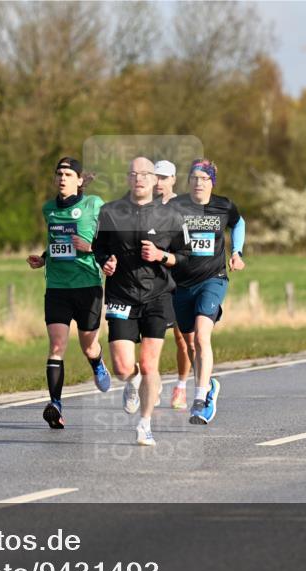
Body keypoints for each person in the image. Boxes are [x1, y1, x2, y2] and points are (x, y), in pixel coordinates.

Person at [92, 157, 190, 446]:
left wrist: (162, 256)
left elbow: (184, 258)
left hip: (157, 296)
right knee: (124, 368)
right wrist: (104, 262)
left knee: (149, 364)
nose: (140, 179)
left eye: (145, 174)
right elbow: (98, 249)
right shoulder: (110, 213)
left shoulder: (172, 217)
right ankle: (132, 382)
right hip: (121, 296)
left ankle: (144, 424)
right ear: (128, 179)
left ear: (155, 180)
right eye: (134, 174)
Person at [27, 157, 112, 429]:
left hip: (87, 286)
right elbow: (56, 241)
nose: (62, 178)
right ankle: (56, 405)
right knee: (56, 347)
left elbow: (108, 238)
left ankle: (97, 363)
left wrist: (92, 249)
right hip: (57, 287)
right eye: (59, 174)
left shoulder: (94, 205)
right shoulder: (48, 208)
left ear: (79, 180)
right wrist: (43, 257)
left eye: (68, 174)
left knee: (89, 345)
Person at [168, 159, 245, 424]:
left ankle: (200, 400)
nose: (199, 183)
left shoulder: (223, 205)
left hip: (213, 279)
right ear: (188, 182)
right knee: (190, 343)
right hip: (181, 283)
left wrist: (236, 252)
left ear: (212, 182)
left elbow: (239, 222)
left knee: (202, 336)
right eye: (194, 178)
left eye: (204, 178)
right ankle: (208, 383)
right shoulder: (176, 206)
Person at [153, 160, 192, 409]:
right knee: (152, 335)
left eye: (164, 178)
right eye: (155, 177)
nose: (159, 182)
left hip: (179, 276)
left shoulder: (183, 207)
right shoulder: (145, 207)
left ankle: (181, 385)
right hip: (154, 280)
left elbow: (188, 245)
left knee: (182, 337)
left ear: (173, 180)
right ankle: (153, 383)